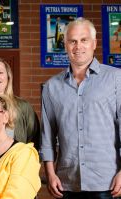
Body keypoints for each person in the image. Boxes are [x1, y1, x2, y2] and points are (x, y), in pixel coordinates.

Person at [40, 17, 121, 199]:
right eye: (72, 41)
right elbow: (47, 135)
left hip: (108, 181)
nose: (78, 46)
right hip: (66, 182)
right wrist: (50, 173)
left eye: (84, 40)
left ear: (94, 43)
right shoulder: (51, 86)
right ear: (66, 45)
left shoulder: (116, 79)